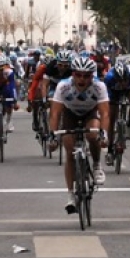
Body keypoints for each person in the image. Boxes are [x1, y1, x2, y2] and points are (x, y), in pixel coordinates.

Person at [47, 56, 110, 213]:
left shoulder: (99, 86)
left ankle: (96, 165)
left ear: (92, 76)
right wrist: (53, 136)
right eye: (78, 75)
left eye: (87, 76)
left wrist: (104, 134)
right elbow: (55, 114)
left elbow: (105, 113)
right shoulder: (63, 86)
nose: (82, 79)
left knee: (92, 134)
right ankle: (70, 195)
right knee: (69, 151)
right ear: (73, 74)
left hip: (90, 113)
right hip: (70, 114)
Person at [103, 61, 130, 160]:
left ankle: (129, 125)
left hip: (129, 90)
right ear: (115, 78)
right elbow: (104, 98)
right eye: (120, 80)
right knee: (111, 118)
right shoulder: (109, 78)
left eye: (125, 80)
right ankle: (110, 149)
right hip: (113, 92)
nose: (122, 83)